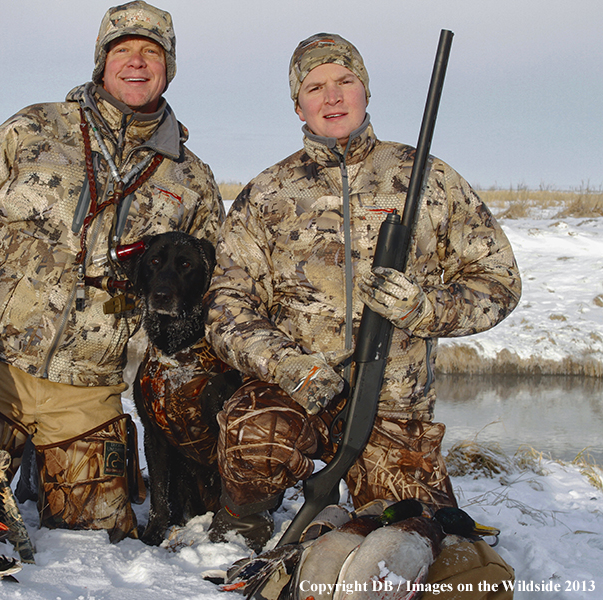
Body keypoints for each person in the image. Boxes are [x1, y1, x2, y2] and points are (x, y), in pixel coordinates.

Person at [0, 1, 224, 543]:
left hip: (89, 387)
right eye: (123, 50)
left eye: (151, 52)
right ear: (102, 61)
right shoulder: (35, 128)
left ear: (169, 66)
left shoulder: (191, 178)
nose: (137, 63)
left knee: (95, 540)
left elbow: (215, 284)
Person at [204, 33, 521, 555]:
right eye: (315, 87)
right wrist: (292, 367)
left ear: (365, 91)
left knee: (415, 540)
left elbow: (499, 281)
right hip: (299, 392)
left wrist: (423, 307)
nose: (332, 97)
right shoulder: (268, 192)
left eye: (344, 81)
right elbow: (226, 308)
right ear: (298, 104)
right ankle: (243, 520)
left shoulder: (427, 177)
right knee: (254, 431)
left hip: (395, 402)